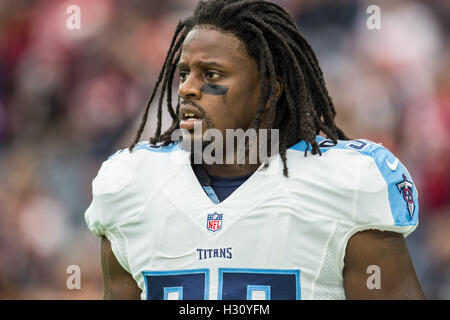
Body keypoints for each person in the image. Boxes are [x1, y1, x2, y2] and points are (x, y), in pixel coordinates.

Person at [85, 0, 425, 300]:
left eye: (212, 74)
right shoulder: (130, 183)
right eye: (185, 73)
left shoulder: (349, 182)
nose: (187, 88)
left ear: (271, 87)